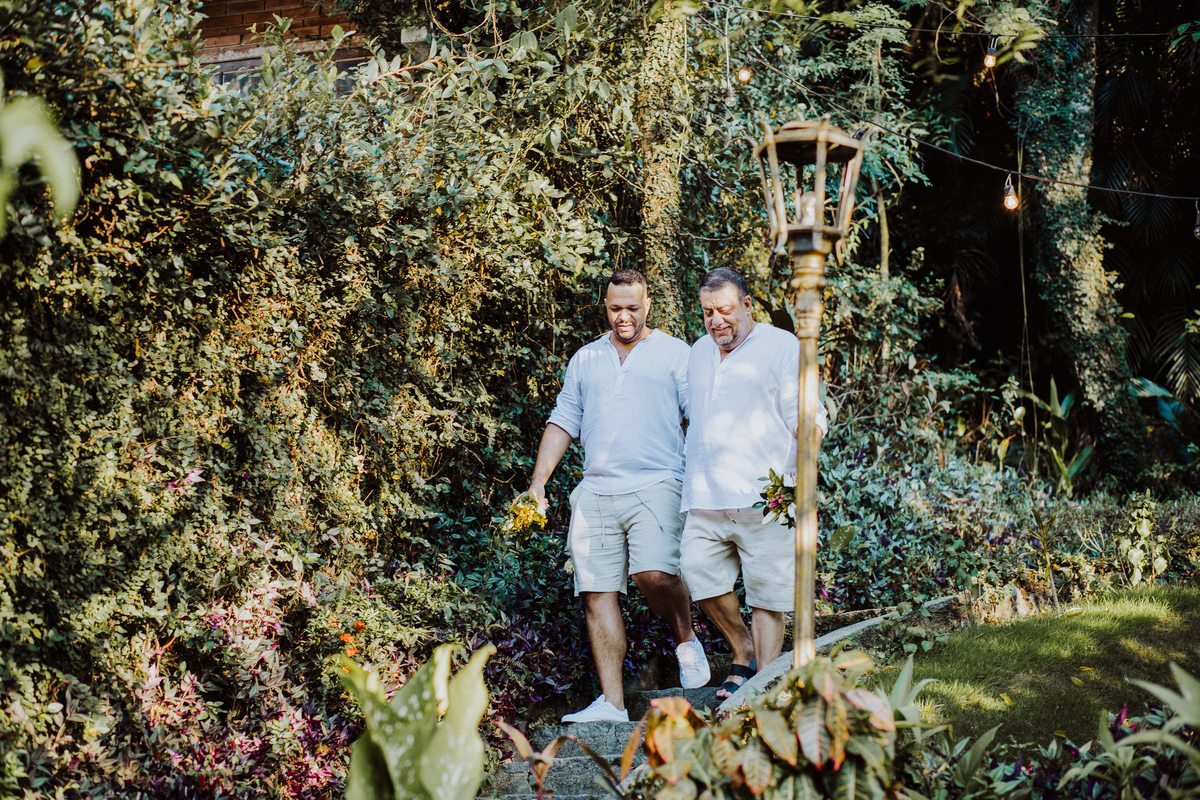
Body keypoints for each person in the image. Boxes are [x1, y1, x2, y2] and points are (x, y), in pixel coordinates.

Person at [527, 268, 710, 723]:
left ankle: (686, 638)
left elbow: (701, 418)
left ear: (648, 304)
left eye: (632, 307)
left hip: (658, 481)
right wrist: (538, 482)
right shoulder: (586, 359)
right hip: (596, 490)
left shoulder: (675, 354)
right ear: (605, 307)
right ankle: (611, 705)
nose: (623, 316)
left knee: (653, 574)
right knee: (596, 591)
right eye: (615, 308)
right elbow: (563, 421)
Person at [679, 267, 827, 700]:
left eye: (724, 309)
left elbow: (801, 411)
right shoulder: (698, 353)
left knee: (766, 596)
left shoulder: (780, 346)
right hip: (705, 496)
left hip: (769, 495)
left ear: (747, 304)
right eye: (707, 312)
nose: (716, 320)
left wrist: (806, 446)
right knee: (698, 573)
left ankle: (759, 690)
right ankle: (742, 651)